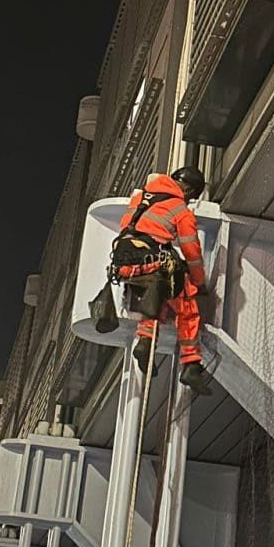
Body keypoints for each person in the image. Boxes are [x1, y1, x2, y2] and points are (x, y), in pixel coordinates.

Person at [118, 165, 212, 395]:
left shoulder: (141, 197)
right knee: (186, 297)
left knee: (158, 290)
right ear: (188, 190)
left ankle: (146, 339)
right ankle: (191, 365)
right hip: (150, 260)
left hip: (123, 262)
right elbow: (192, 252)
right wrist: (199, 282)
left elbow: (128, 227)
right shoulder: (180, 210)